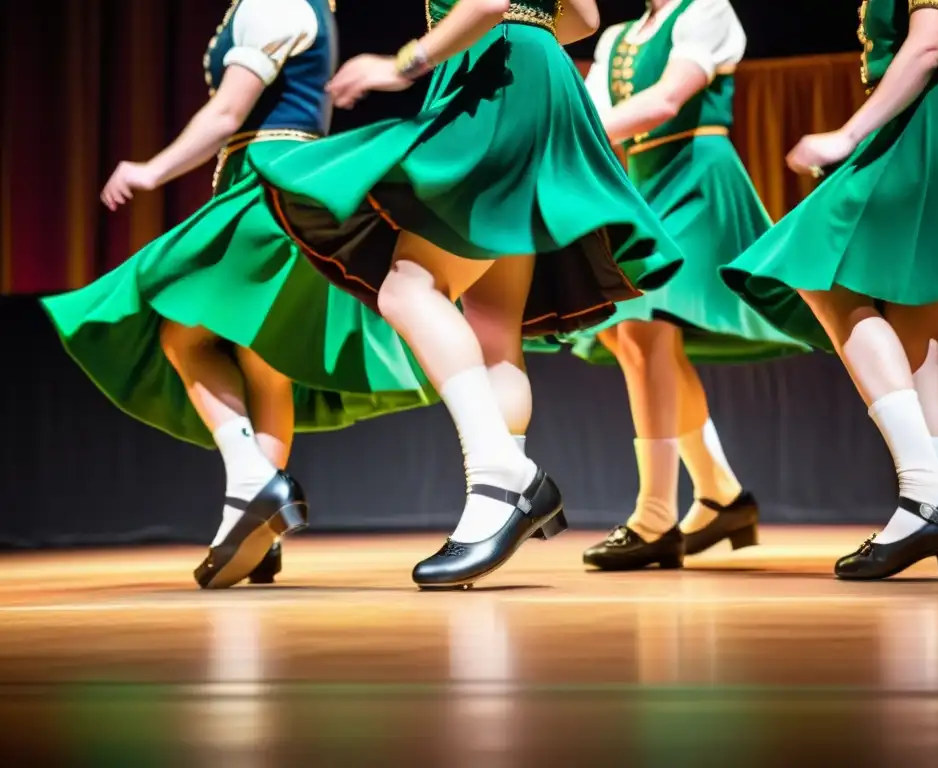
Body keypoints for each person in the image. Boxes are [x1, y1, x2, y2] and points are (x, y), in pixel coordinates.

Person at [251, 0, 685, 588]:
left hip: (492, 74)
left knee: (408, 290)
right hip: (538, 71)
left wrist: (403, 63)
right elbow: (583, 16)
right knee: (494, 333)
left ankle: (506, 478)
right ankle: (491, 505)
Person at [42, 0, 437, 589]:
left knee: (180, 328)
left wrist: (151, 170)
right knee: (264, 356)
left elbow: (227, 113)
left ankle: (251, 487)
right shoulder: (312, 11)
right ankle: (257, 530)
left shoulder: (272, 6)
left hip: (263, 181)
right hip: (295, 184)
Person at [721, 0, 938, 579]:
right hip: (936, 119)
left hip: (934, 119)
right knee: (917, 337)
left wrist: (846, 135)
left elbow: (928, 45)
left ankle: (927, 495)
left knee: (819, 274)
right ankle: (935, 516)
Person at [539, 0, 809, 572]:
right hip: (642, 180)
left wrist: (560, 146)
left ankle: (655, 517)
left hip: (696, 175)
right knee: (626, 338)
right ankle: (721, 495)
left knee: (640, 326)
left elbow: (664, 100)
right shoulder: (617, 37)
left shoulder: (707, 10)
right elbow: (587, 111)